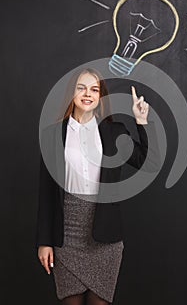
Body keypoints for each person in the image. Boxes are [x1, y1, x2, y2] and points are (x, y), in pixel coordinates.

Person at [36, 67, 160, 305]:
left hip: (105, 234)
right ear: (71, 93)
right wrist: (44, 241)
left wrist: (141, 121)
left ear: (100, 96)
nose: (87, 94)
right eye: (81, 87)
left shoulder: (114, 133)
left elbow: (150, 163)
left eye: (94, 89)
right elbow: (46, 192)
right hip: (66, 233)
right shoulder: (52, 135)